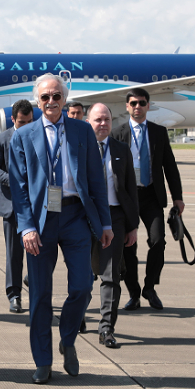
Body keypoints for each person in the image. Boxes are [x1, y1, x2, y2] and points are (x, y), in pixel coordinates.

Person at [9, 74, 112, 384]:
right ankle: (43, 360)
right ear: (37, 101)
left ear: (65, 99)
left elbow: (96, 180)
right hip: (40, 222)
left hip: (75, 215)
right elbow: (19, 187)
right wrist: (26, 227)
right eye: (45, 97)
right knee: (40, 294)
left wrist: (105, 222)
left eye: (56, 96)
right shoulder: (23, 136)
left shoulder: (82, 131)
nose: (51, 101)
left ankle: (68, 339)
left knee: (82, 286)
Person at [111, 88, 184, 311]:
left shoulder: (159, 132)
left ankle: (150, 287)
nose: (138, 107)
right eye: (133, 103)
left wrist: (178, 197)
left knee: (158, 241)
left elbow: (169, 166)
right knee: (128, 248)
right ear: (127, 106)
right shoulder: (118, 133)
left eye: (142, 103)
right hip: (127, 198)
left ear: (148, 106)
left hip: (151, 195)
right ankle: (133, 293)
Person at [86, 103, 139, 348]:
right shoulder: (78, 148)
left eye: (107, 119)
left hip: (115, 217)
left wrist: (132, 225)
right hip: (85, 217)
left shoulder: (121, 149)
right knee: (84, 274)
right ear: (88, 122)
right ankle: (78, 315)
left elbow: (130, 190)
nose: (103, 124)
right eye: (98, 120)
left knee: (111, 274)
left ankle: (106, 327)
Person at [0, 99, 34, 313]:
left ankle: (33, 283)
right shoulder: (1, 139)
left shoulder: (39, 136)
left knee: (40, 251)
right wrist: (14, 181)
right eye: (22, 122)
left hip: (37, 205)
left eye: (29, 122)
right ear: (13, 119)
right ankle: (14, 295)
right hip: (12, 204)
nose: (26, 126)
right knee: (14, 254)